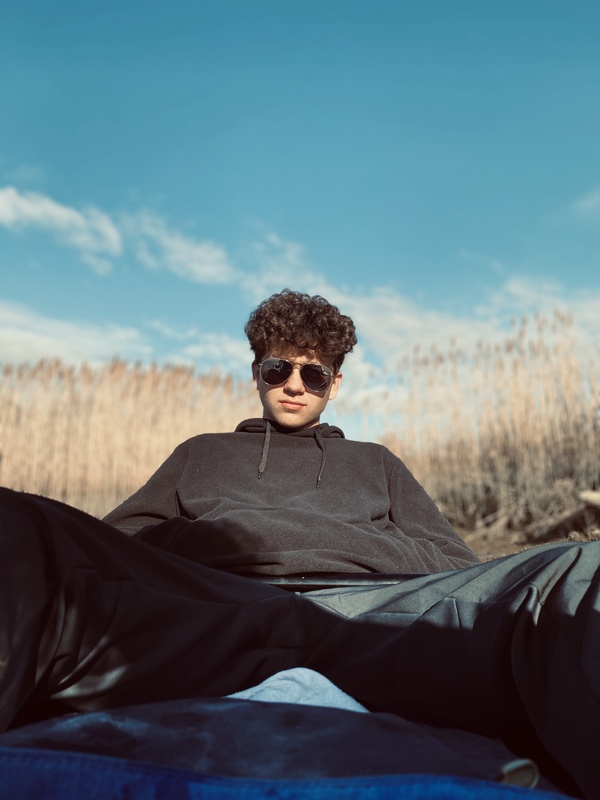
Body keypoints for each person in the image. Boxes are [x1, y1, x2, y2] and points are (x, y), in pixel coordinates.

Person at [0, 289, 598, 798]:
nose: (293, 385)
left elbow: (454, 566)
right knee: (20, 525)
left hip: (373, 611)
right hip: (213, 604)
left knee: (577, 568)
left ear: (335, 384)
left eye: (313, 374)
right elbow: (117, 546)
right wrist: (208, 544)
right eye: (276, 370)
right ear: (255, 374)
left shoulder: (376, 463)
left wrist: (364, 551)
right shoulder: (200, 453)